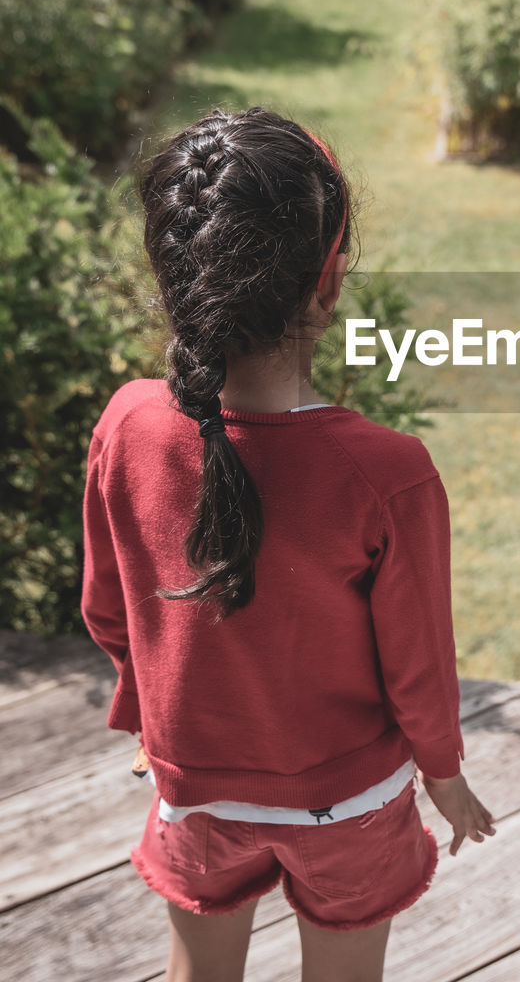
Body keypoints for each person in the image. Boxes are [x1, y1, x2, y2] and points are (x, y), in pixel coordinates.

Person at [82, 107, 495, 982]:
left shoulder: (127, 425)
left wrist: (150, 716)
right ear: (328, 279)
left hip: (192, 790)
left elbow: (108, 609)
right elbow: (416, 666)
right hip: (346, 806)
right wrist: (445, 779)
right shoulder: (387, 473)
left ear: (173, 275)